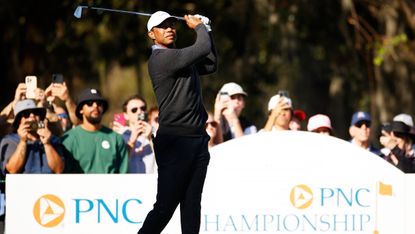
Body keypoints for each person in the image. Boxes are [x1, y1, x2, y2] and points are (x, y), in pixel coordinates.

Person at [138, 11, 217, 234]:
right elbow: (201, 48)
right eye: (162, 26)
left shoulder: (180, 58)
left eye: (172, 24)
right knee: (164, 208)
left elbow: (210, 64)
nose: (170, 28)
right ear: (152, 35)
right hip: (175, 142)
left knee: (191, 206)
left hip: (197, 141)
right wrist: (200, 27)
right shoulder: (160, 59)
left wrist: (207, 30)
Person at [61, 88, 128, 173]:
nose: (95, 106)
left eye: (99, 103)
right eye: (89, 104)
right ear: (81, 110)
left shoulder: (116, 138)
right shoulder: (68, 140)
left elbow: (123, 173)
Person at [0, 99, 64, 174]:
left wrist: (47, 143)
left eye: (35, 113)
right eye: (26, 114)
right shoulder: (10, 140)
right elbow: (12, 170)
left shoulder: (52, 139)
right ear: (18, 121)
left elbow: (59, 170)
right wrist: (23, 141)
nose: (32, 116)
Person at [119, 95, 155, 173]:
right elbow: (118, 162)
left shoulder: (155, 133)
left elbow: (166, 159)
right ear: (125, 115)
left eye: (143, 108)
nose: (139, 112)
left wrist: (151, 138)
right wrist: (132, 141)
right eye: (134, 110)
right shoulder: (119, 137)